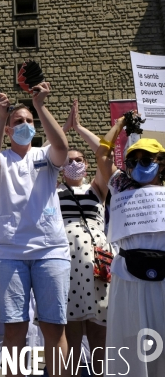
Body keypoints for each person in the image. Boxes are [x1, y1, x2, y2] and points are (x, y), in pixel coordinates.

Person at [0, 82, 71, 377]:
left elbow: (63, 147)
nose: (25, 125)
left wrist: (40, 105)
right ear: (8, 130)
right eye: (18, 122)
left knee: (53, 327)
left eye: (29, 121)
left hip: (50, 251)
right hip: (9, 253)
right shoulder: (2, 159)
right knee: (14, 330)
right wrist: (1, 116)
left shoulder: (45, 156)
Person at [96, 115, 165, 376]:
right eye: (133, 161)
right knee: (132, 339)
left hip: (163, 277)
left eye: (147, 160)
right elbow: (103, 155)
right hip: (129, 277)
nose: (139, 165)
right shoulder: (122, 186)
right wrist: (121, 123)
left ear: (161, 164)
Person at [58, 100, 110, 375]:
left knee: (99, 332)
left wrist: (78, 128)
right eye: (69, 161)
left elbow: (104, 152)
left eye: (79, 160)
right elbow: (49, 156)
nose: (74, 163)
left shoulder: (96, 190)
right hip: (67, 265)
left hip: (99, 264)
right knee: (72, 332)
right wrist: (62, 135)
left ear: (87, 165)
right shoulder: (52, 192)